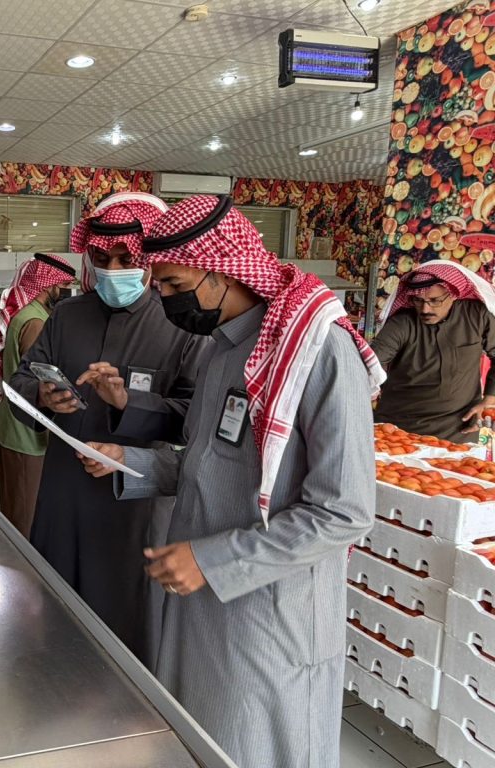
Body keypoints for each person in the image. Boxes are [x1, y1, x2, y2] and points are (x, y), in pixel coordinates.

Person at [81, 194, 384, 768]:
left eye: (173, 284)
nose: (163, 298)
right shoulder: (222, 351)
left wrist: (212, 560)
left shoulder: (317, 351)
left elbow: (343, 513)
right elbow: (206, 463)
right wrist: (130, 461)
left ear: (221, 272)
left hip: (267, 616)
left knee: (254, 747)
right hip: (200, 603)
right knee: (198, 741)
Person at [8, 192, 209, 665]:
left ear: (149, 260)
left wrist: (126, 402)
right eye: (102, 259)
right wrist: (43, 396)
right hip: (63, 492)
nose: (113, 269)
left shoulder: (182, 325)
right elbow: (18, 385)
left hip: (133, 503)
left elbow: (193, 419)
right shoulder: (67, 315)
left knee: (127, 620)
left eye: (125, 259)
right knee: (55, 606)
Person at [0, 253, 76, 536]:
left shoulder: (26, 314)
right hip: (27, 433)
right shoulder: (36, 322)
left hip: (13, 426)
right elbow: (41, 378)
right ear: (50, 285)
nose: (66, 292)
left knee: (14, 505)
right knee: (26, 514)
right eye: (64, 286)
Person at [372, 259, 495, 440]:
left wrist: (490, 398)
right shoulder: (402, 323)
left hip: (458, 429)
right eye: (418, 300)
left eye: (435, 301)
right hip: (399, 430)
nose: (425, 309)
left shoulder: (476, 316)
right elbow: (371, 362)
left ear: (453, 294)